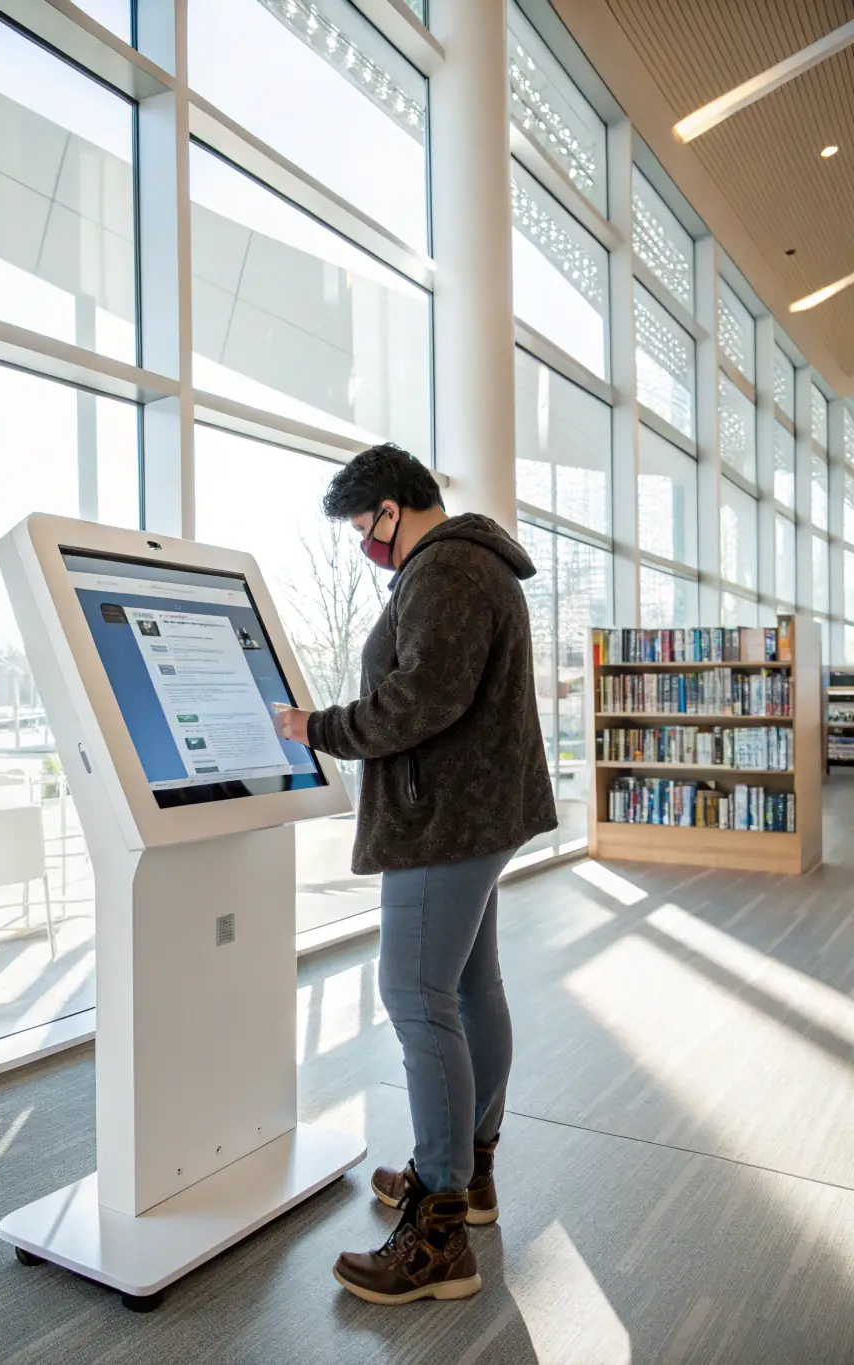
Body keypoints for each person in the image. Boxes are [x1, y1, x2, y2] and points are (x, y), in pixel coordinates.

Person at [276, 442, 556, 1307]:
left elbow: (417, 700)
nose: (365, 544)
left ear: (393, 508)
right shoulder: (475, 562)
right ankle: (467, 1172)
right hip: (478, 811)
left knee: (414, 994)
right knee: (470, 988)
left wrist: (316, 727)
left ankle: (437, 1235)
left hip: (446, 819)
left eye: (365, 527)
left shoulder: (446, 569)